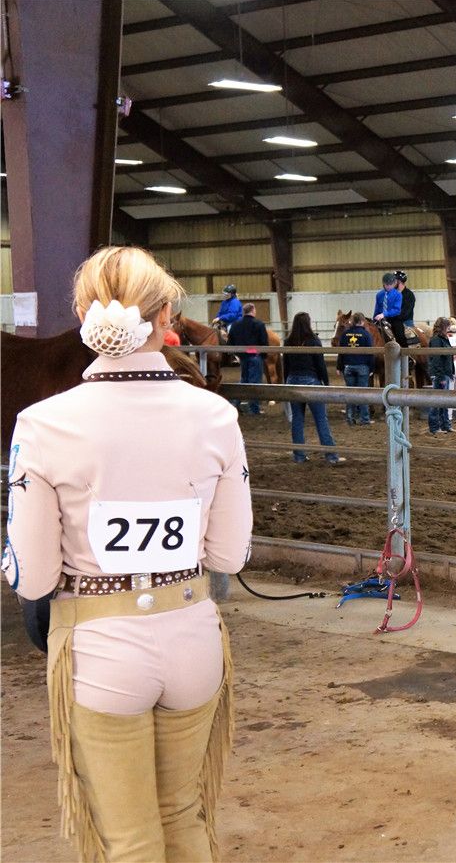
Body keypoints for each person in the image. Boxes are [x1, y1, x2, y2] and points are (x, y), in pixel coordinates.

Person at [4, 245, 250, 862]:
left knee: (129, 840)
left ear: (85, 317)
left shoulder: (41, 423)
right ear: (166, 318)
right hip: (192, 636)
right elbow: (229, 554)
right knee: (185, 816)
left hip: (99, 648)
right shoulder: (216, 415)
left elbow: (31, 577)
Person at [283, 312, 345, 464]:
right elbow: (320, 364)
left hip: (293, 381)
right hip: (311, 381)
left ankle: (299, 455)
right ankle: (331, 456)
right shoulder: (314, 341)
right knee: (321, 419)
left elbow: (286, 365)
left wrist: (286, 382)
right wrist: (326, 382)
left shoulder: (288, 341)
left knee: (297, 419)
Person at [226, 303, 268, 415]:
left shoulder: (235, 325)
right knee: (255, 382)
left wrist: (238, 354)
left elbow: (230, 342)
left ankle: (235, 403)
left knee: (244, 380)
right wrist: (263, 356)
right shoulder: (259, 324)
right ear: (253, 310)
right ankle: (254, 408)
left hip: (242, 357)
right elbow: (264, 342)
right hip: (255, 356)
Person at [337, 312, 374, 426]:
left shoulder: (345, 334)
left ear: (352, 321)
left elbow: (341, 353)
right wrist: (371, 368)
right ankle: (365, 419)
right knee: (362, 394)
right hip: (362, 367)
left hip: (348, 367)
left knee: (350, 393)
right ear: (362, 322)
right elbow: (370, 354)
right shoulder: (366, 335)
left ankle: (350, 418)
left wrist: (339, 367)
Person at [425, 317, 455, 436]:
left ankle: (445, 425)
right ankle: (434, 427)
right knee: (437, 401)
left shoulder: (443, 339)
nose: (448, 329)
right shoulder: (437, 340)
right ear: (444, 327)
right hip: (440, 374)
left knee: (444, 401)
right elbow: (436, 360)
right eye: (447, 327)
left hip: (444, 373)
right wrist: (440, 375)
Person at [372, 272, 405, 347]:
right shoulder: (379, 295)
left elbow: (397, 310)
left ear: (394, 283)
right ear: (383, 283)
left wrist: (384, 314)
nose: (388, 286)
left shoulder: (398, 294)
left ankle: (404, 354)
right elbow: (377, 308)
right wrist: (374, 319)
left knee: (400, 335)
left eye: (390, 284)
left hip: (394, 318)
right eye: (386, 284)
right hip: (380, 319)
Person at [395, 270, 415, 345]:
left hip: (406, 322)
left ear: (399, 281)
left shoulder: (409, 295)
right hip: (394, 321)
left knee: (406, 338)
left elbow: (406, 312)